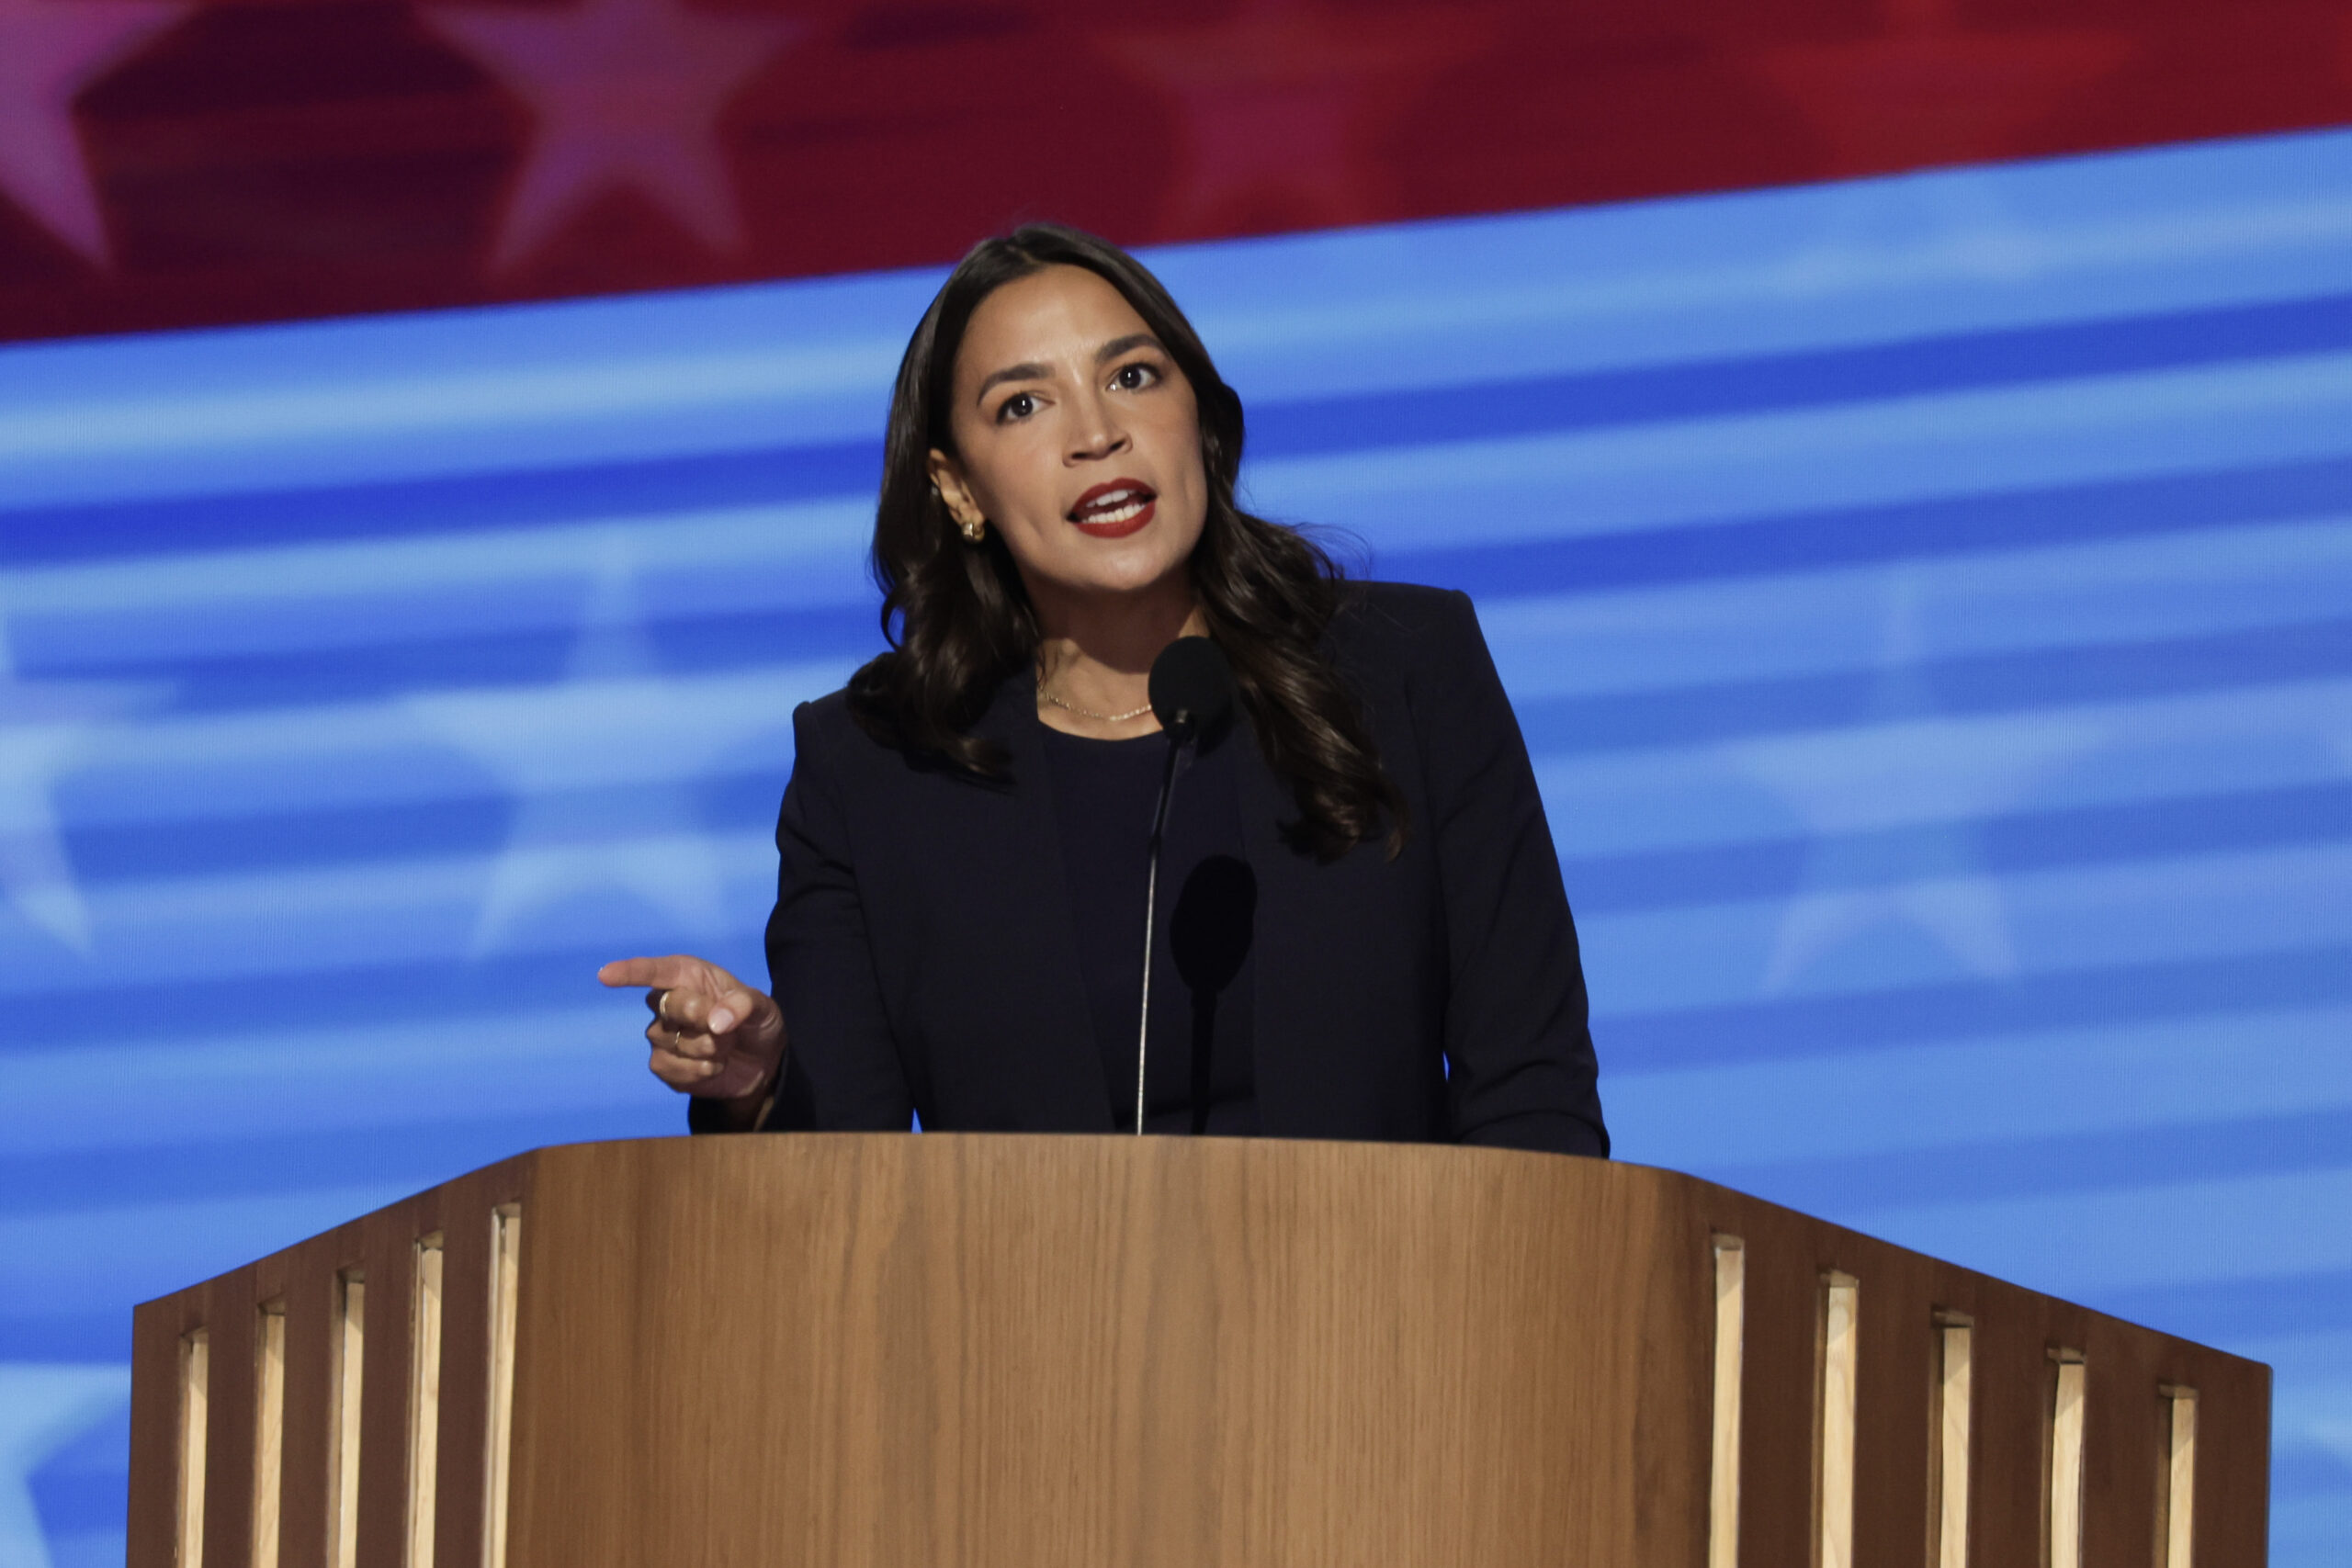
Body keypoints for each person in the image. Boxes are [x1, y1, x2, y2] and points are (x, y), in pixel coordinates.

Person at [599, 224, 1608, 1156]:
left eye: (1131, 376)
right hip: (1027, 1340)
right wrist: (761, 1084)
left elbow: (1531, 1095)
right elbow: (847, 1192)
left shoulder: (1406, 669)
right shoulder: (871, 767)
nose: (1096, 433)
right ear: (957, 490)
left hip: (1386, 1326)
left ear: (1198, 420)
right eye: (1024, 404)